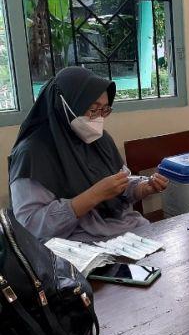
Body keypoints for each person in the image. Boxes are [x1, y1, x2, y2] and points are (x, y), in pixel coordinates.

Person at [9, 67, 169, 242]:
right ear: (66, 105)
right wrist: (93, 196)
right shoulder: (32, 154)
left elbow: (119, 183)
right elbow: (31, 226)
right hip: (77, 246)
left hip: (124, 231)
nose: (99, 118)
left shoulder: (99, 139)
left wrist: (141, 188)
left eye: (105, 110)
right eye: (93, 110)